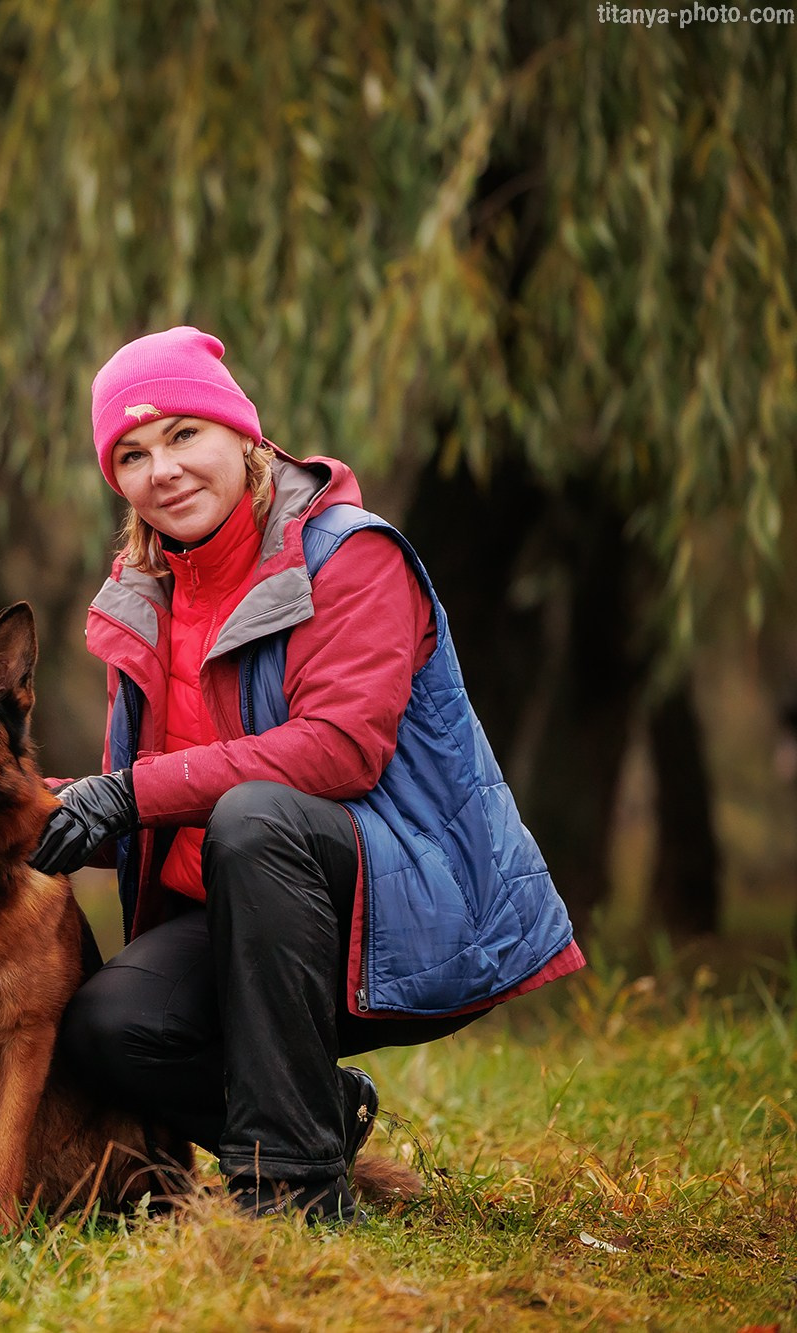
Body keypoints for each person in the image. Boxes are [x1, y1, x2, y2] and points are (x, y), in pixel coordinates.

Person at [35, 327, 585, 1223]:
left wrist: (126, 794)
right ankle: (321, 1113)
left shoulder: (350, 555)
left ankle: (293, 1192)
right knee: (109, 1026)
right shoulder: (144, 590)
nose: (161, 470)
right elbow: (144, 795)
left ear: (242, 433)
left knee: (256, 817)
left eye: (183, 434)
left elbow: (338, 749)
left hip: (399, 900)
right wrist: (31, 807)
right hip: (237, 912)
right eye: (131, 454)